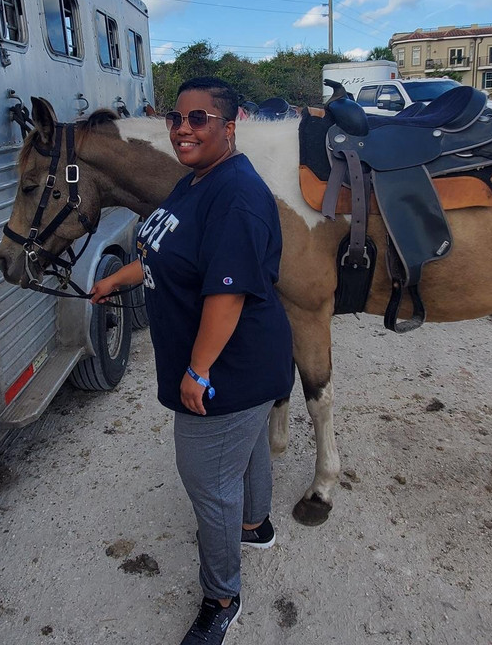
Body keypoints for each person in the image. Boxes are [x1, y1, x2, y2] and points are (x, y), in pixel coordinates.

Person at [90, 76, 294, 645]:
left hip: (232, 364)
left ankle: (222, 596)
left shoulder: (236, 194)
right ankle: (255, 526)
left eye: (199, 118)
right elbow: (162, 249)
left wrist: (198, 370)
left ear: (230, 127)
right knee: (248, 447)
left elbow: (226, 294)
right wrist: (116, 280)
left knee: (207, 480)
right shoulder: (196, 182)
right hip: (249, 364)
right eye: (177, 118)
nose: (183, 128)